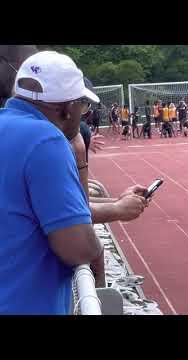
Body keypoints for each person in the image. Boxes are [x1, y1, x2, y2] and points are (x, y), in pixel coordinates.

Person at [0, 51, 104, 314]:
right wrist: (95, 246)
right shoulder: (46, 140)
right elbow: (78, 248)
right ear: (68, 108)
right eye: (83, 104)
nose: (84, 113)